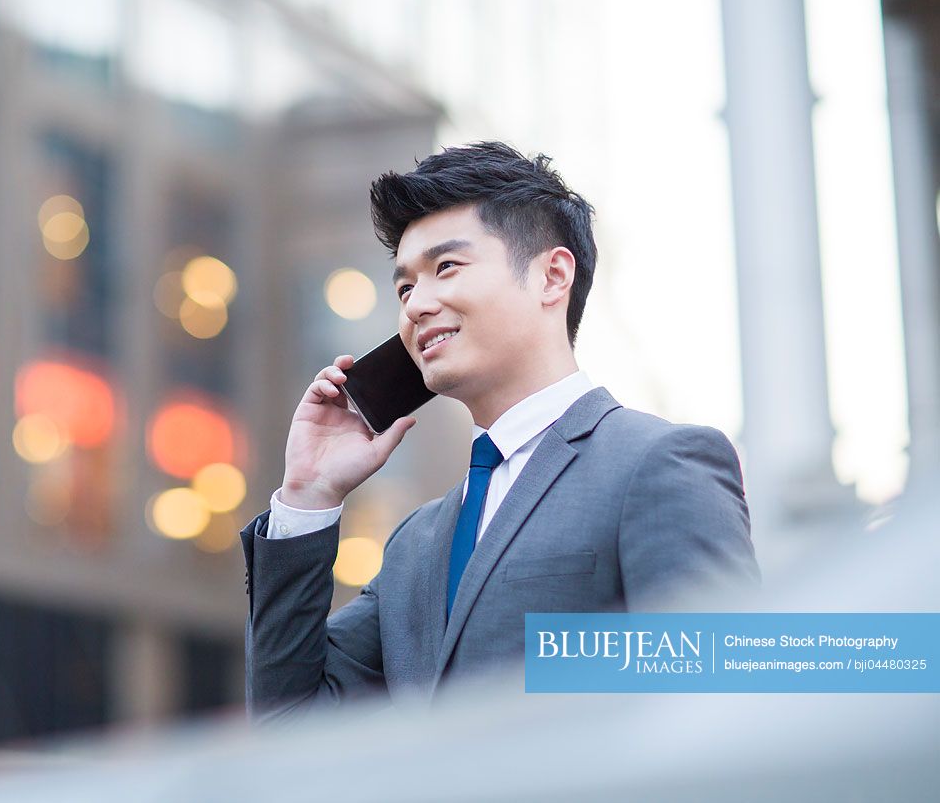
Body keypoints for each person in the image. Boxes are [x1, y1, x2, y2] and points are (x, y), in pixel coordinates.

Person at [240, 141, 759, 720]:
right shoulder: (416, 543)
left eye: (447, 268)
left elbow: (724, 705)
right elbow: (290, 724)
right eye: (405, 287)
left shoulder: (659, 463)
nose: (415, 306)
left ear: (551, 276)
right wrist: (308, 497)